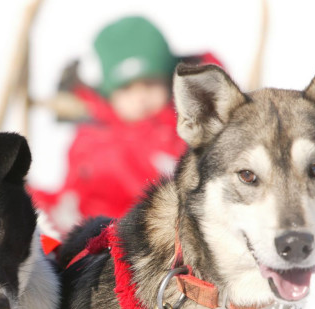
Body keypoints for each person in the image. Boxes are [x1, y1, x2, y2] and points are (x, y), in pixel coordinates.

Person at [32, 15, 223, 232]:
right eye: (126, 89)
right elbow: (71, 200)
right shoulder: (91, 140)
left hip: (171, 234)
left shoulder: (187, 128)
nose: (140, 97)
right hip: (103, 239)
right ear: (107, 94)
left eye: (150, 84)